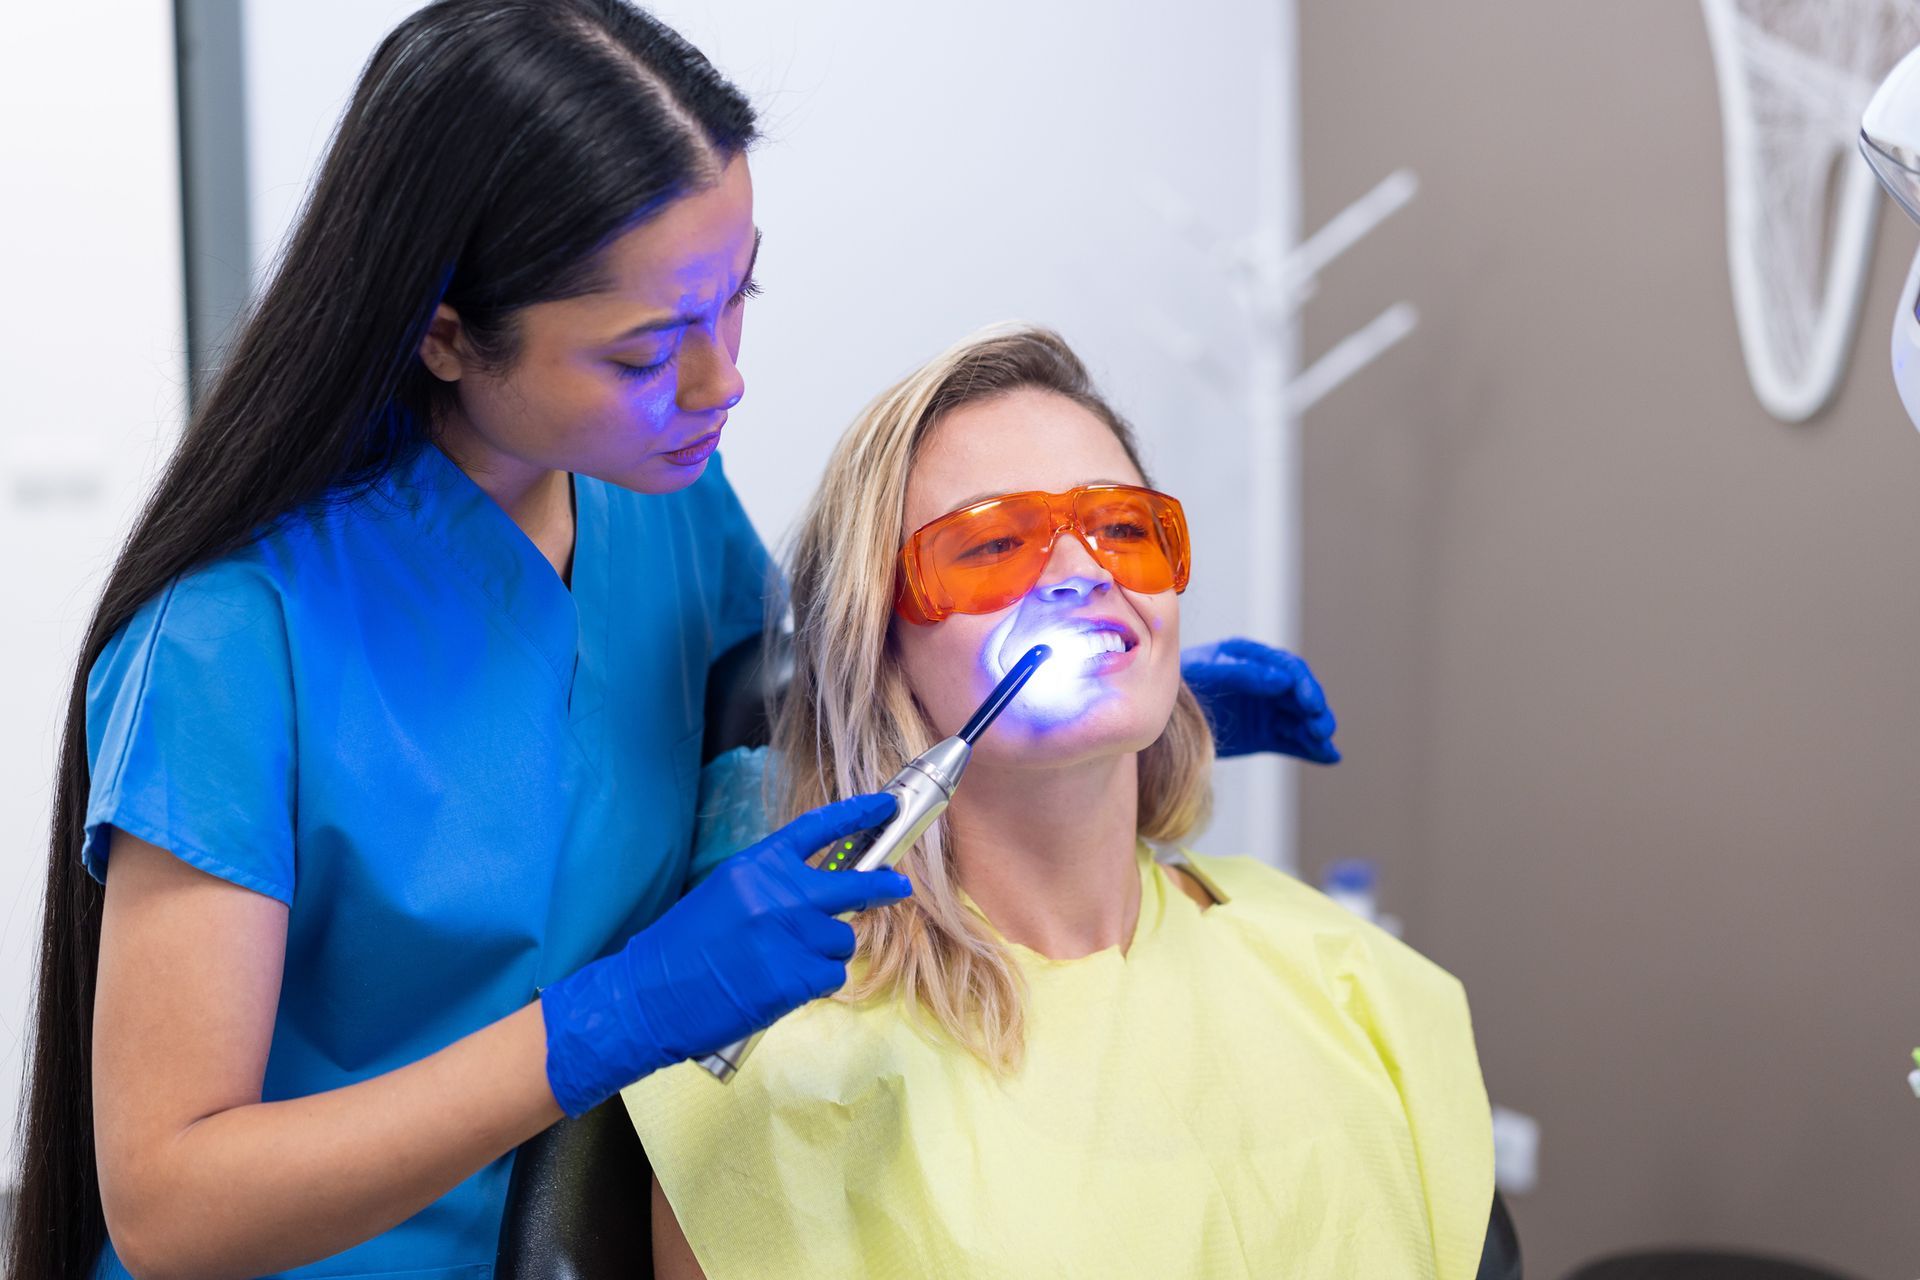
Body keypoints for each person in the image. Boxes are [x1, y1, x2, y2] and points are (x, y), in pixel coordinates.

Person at [11, 5, 1338, 1277]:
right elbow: (172, 1203)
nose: (723, 383)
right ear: (447, 332)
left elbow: (818, 716)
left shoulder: (659, 504)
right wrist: (605, 1022)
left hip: (616, 1224)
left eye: (735, 303)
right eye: (650, 350)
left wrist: (1113, 705)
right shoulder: (228, 649)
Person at [628, 326, 1494, 1280]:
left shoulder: (1344, 972)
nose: (1086, 575)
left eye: (1124, 530)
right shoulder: (786, 1061)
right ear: (878, 647)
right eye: (994, 544)